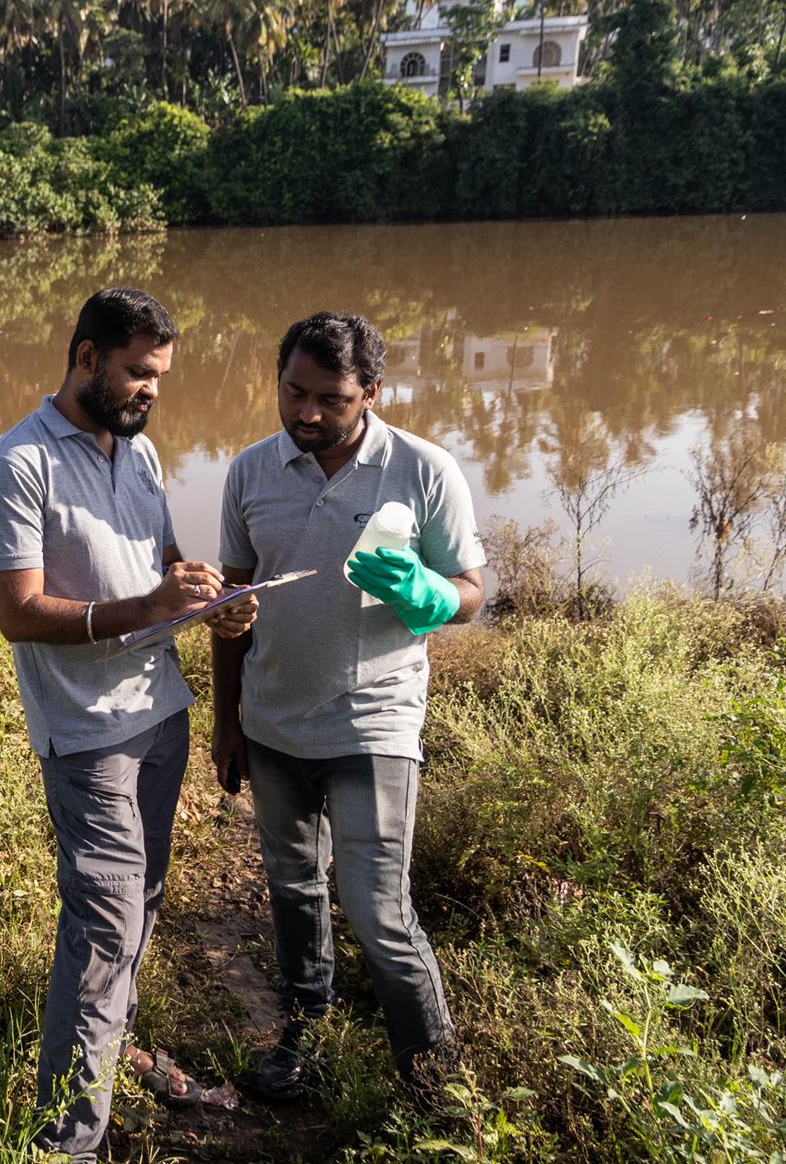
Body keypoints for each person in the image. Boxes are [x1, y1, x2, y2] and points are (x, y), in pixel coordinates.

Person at [0, 287, 256, 1160]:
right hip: (87, 735)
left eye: (160, 375)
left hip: (161, 716)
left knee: (141, 907)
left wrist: (206, 598)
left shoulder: (141, 453)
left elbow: (162, 565)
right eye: (138, 372)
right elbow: (19, 613)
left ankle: (108, 1057)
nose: (151, 390)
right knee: (104, 928)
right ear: (87, 357)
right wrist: (147, 607)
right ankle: (66, 1141)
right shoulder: (18, 465)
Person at [209, 311, 486, 1107]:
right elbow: (234, 605)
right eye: (293, 391)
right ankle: (305, 1031)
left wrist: (435, 595)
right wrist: (227, 720)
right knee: (293, 888)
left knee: (378, 911)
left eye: (329, 399)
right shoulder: (250, 471)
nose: (306, 413)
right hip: (272, 725)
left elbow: (471, 590)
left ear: (371, 392)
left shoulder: (423, 469)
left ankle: (436, 1086)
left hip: (374, 723)